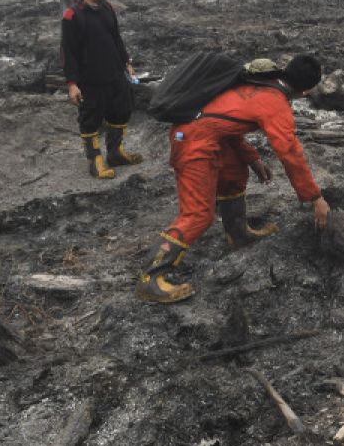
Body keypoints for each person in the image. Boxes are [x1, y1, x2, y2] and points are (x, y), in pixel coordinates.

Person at [135, 55, 331, 303]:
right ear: (305, 91)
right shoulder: (274, 101)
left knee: (234, 171)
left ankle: (238, 233)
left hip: (208, 134)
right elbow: (290, 152)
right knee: (197, 215)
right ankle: (150, 278)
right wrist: (315, 197)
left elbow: (224, 122)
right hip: (193, 141)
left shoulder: (259, 82)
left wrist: (251, 158)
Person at [60, 0, 143, 179]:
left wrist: (126, 62)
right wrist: (72, 84)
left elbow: (116, 38)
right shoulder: (72, 16)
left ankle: (115, 153)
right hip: (90, 80)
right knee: (90, 119)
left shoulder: (108, 9)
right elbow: (68, 52)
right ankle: (95, 161)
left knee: (121, 111)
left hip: (115, 74)